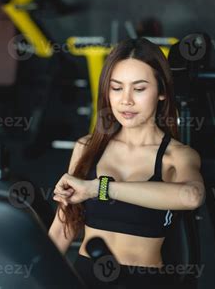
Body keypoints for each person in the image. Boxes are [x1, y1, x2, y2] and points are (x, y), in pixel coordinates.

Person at [48, 38, 205, 288]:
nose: (126, 100)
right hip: (85, 276)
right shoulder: (86, 148)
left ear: (162, 91)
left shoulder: (176, 156)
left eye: (139, 88)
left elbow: (191, 196)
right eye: (116, 88)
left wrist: (98, 188)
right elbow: (62, 229)